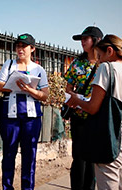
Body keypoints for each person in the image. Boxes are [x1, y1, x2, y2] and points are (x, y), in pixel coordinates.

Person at [67, 34, 122, 190]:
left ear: (109, 51)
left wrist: (75, 100)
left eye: (100, 55)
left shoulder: (107, 68)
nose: (98, 61)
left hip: (110, 134)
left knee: (108, 180)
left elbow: (92, 107)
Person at [0, 33, 49, 190]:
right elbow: (1, 85)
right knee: (8, 154)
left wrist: (28, 89)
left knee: (29, 155)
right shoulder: (9, 64)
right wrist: (14, 85)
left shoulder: (39, 69)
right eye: (18, 46)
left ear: (32, 49)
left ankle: (28, 188)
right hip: (10, 116)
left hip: (31, 118)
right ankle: (7, 187)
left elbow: (44, 95)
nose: (20, 49)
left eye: (23, 46)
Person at [64, 26, 103, 190]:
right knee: (79, 158)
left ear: (96, 40)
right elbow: (68, 88)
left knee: (93, 158)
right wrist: (74, 97)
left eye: (85, 38)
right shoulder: (77, 63)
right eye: (81, 39)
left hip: (97, 117)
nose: (82, 42)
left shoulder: (105, 65)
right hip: (79, 116)